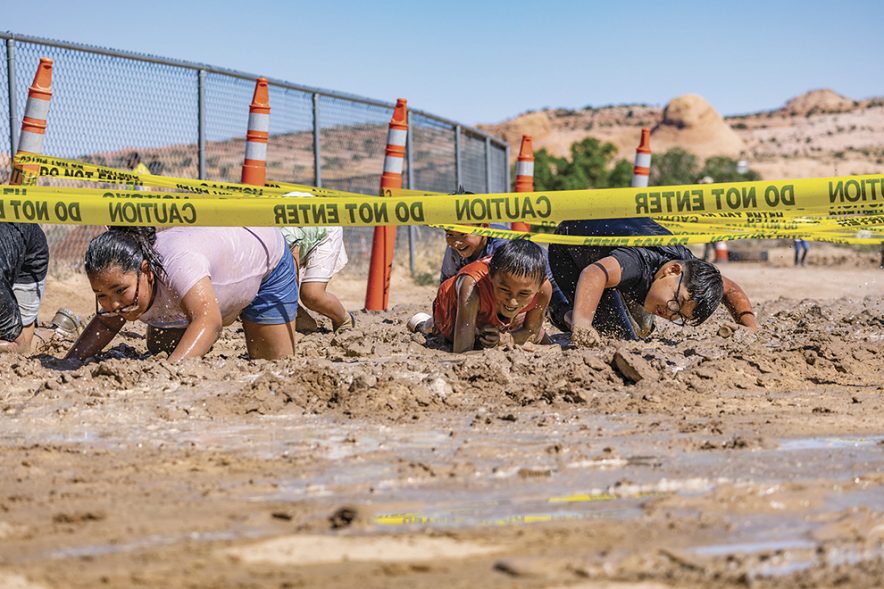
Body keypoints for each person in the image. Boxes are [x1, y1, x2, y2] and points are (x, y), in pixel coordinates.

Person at [66, 226, 298, 363]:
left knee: (274, 363)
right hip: (209, 278)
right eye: (101, 295)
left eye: (119, 291)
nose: (113, 304)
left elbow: (209, 320)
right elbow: (106, 324)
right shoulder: (127, 282)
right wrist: (70, 362)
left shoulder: (176, 266)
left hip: (265, 257)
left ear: (146, 271)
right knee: (161, 348)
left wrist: (172, 371)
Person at [549, 218, 757, 345]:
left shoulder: (688, 269)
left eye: (678, 316)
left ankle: (626, 301)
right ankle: (560, 308)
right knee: (617, 337)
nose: (670, 313)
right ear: (672, 270)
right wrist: (582, 324)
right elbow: (594, 273)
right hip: (569, 251)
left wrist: (751, 330)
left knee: (642, 328)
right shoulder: (637, 263)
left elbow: (730, 290)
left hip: (613, 256)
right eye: (677, 303)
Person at [417, 239, 552, 353]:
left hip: (498, 312)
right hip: (452, 305)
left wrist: (504, 339)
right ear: (491, 277)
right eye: (504, 290)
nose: (513, 301)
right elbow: (462, 352)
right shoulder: (472, 286)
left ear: (539, 286)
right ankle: (422, 323)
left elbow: (531, 332)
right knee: (442, 333)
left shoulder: (543, 289)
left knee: (542, 337)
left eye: (523, 293)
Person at [279, 225, 353, 332]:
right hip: (294, 237)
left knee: (312, 295)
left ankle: (344, 320)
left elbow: (291, 283)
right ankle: (303, 322)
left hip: (323, 233)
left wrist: (291, 304)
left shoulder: (284, 234)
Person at [0, 223, 49, 354]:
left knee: (22, 346)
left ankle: (57, 333)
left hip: (30, 250)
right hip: (7, 243)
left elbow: (19, 346)